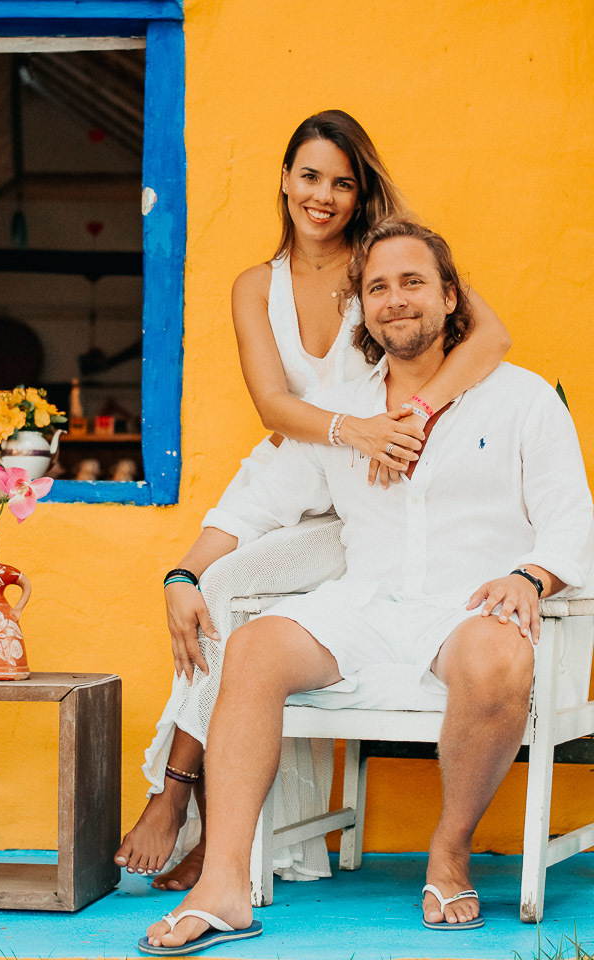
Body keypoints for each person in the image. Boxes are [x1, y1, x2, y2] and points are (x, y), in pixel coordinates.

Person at [138, 218, 593, 954]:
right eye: (378, 287)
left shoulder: (523, 399)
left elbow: (573, 518)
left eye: (413, 282)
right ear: (363, 308)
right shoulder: (344, 411)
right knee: (252, 648)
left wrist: (529, 575)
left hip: (470, 605)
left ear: (450, 298)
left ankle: (449, 852)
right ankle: (223, 885)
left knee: (498, 656)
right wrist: (186, 570)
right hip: (364, 604)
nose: (395, 300)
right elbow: (256, 499)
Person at [116, 110, 511, 887]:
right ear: (285, 181)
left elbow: (490, 338)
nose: (323, 195)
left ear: (360, 191)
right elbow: (272, 405)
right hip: (297, 470)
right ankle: (188, 804)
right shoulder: (255, 286)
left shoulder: (385, 270)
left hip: (368, 496)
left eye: (342, 180)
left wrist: (414, 417)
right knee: (208, 585)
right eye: (309, 176)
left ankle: (182, 798)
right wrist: (353, 430)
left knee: (230, 590)